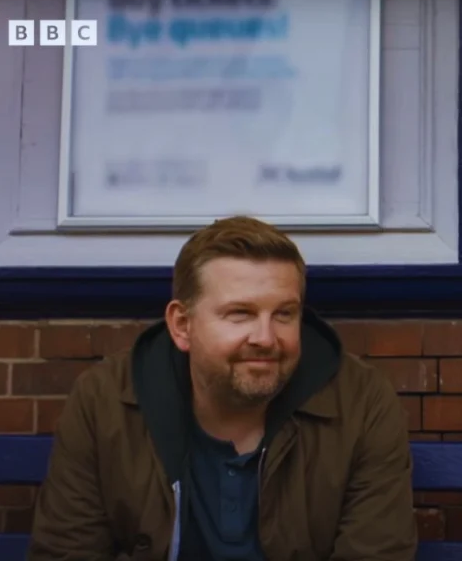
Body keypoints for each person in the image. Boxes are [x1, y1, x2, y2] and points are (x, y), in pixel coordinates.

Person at [29, 216, 417, 561]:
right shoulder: (106, 402)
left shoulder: (361, 403)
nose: (266, 338)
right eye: (240, 314)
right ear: (182, 325)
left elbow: (377, 551)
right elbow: (67, 549)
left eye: (284, 314)